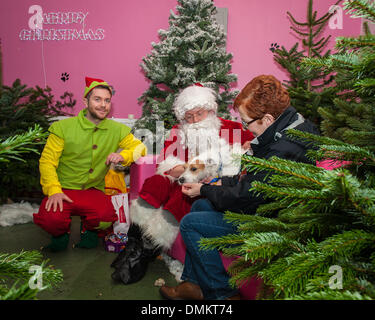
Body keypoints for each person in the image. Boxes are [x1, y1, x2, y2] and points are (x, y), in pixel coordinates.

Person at [159, 74, 320, 300]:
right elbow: (254, 179)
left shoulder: (284, 147)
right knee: (200, 207)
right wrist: (217, 182)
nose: (246, 128)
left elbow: (248, 195)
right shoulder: (284, 129)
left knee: (190, 224)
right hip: (263, 205)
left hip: (272, 222)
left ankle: (222, 295)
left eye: (247, 122)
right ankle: (194, 285)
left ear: (267, 119)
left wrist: (204, 189)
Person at [129, 83, 253, 252]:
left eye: (199, 114)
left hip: (217, 184)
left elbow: (256, 142)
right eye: (189, 116)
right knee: (157, 182)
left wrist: (250, 145)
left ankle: (151, 242)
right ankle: (137, 231)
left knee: (180, 197)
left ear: (210, 111)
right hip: (184, 178)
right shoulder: (177, 132)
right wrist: (188, 169)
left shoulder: (232, 128)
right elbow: (166, 164)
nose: (194, 121)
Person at [33, 77, 146, 252]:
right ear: (85, 101)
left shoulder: (117, 129)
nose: (103, 105)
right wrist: (53, 190)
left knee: (107, 216)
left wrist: (123, 155)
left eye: (107, 100)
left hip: (93, 190)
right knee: (51, 218)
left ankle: (90, 231)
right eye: (97, 99)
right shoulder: (63, 128)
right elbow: (47, 162)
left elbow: (140, 148)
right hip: (63, 189)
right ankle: (60, 235)